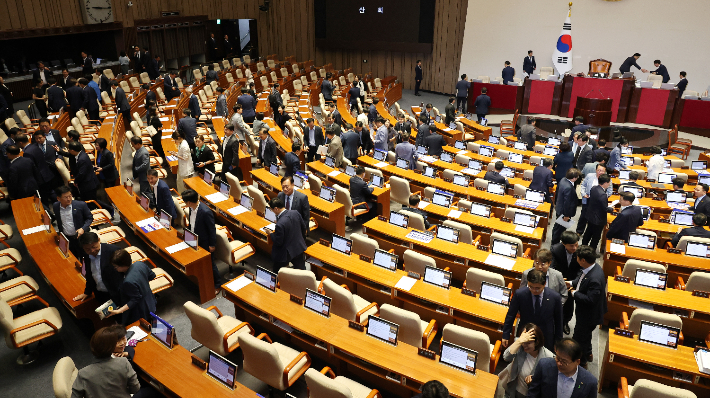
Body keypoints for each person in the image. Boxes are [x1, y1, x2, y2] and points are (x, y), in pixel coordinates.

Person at [70, 326, 141, 397]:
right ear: (112, 347)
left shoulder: (83, 374)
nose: (122, 343)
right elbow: (135, 389)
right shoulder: (123, 362)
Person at [503, 269, 562, 352]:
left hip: (546, 336)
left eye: (538, 288)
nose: (534, 290)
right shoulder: (520, 294)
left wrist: (558, 342)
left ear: (544, 284)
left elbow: (558, 321)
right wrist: (505, 334)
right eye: (531, 287)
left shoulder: (555, 297)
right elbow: (510, 315)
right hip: (525, 334)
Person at [568, 246, 607, 367]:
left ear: (583, 260)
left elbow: (590, 300)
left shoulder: (594, 278)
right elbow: (581, 280)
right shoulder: (591, 267)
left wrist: (574, 293)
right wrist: (570, 283)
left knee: (579, 339)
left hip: (589, 315)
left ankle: (582, 362)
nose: (576, 259)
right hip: (585, 313)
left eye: (577, 258)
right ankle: (589, 353)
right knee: (586, 335)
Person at [526, 338, 598, 397]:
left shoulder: (590, 382)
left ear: (577, 362)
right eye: (557, 358)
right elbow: (533, 394)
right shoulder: (544, 366)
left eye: (564, 361)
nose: (559, 363)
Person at [182, 189, 221, 292]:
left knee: (210, 264)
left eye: (185, 202)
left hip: (205, 241)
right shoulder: (191, 208)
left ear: (189, 202)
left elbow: (211, 229)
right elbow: (192, 223)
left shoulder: (205, 211)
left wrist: (212, 245)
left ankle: (217, 285)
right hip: (195, 238)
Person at [500, 323, 553, 398]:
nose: (524, 345)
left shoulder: (548, 358)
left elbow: (548, 385)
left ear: (537, 342)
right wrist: (519, 341)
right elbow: (506, 357)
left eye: (528, 343)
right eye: (523, 342)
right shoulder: (519, 345)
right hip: (512, 390)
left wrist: (534, 382)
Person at [107, 250, 156, 326]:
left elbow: (135, 299)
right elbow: (152, 275)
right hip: (150, 300)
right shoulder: (140, 264)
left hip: (140, 310)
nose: (115, 269)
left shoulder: (128, 281)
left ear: (123, 265)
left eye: (116, 267)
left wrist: (119, 311)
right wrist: (142, 284)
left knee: (143, 327)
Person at [72, 232, 122, 305]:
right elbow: (89, 274)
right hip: (100, 294)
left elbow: (125, 272)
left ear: (99, 240)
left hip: (117, 294)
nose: (92, 251)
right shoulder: (86, 255)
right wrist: (87, 292)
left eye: (94, 246)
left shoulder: (114, 251)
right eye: (88, 249)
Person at [551, 231, 580, 334]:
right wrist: (559, 279)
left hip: (571, 284)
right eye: (571, 246)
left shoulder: (580, 251)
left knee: (568, 307)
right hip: (557, 282)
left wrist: (573, 283)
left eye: (576, 244)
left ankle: (565, 323)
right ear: (564, 244)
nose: (575, 248)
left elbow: (581, 270)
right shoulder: (555, 249)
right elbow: (552, 267)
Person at [268, 197, 307, 271]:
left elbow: (278, 242)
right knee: (301, 269)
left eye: (271, 209)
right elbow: (303, 228)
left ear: (276, 208)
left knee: (277, 270)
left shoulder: (280, 224)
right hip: (298, 247)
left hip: (286, 253)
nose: (271, 211)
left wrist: (270, 233)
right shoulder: (295, 212)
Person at [53, 185, 93, 259]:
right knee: (72, 257)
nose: (69, 199)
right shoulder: (56, 206)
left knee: (84, 258)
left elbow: (89, 218)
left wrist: (83, 228)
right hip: (67, 238)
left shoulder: (81, 205)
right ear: (58, 198)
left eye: (70, 196)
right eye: (65, 197)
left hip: (80, 237)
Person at [577, 164, 613, 236]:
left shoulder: (607, 179)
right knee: (583, 216)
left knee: (595, 216)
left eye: (602, 171)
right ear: (596, 170)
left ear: (605, 171)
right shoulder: (590, 176)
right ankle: (579, 231)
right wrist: (583, 193)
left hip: (599, 202)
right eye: (599, 170)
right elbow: (583, 185)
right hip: (588, 199)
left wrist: (603, 198)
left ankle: (590, 231)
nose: (600, 172)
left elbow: (610, 191)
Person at [23, 130, 61, 197]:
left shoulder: (52, 143)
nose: (38, 140)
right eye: (36, 138)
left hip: (53, 167)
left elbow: (60, 152)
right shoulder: (34, 147)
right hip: (43, 170)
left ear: (44, 137)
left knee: (56, 186)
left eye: (40, 138)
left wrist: (59, 158)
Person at [551, 168, 581, 245]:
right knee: (559, 229)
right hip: (564, 212)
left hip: (559, 207)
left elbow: (558, 192)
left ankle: (555, 242)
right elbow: (567, 203)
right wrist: (566, 215)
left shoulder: (563, 179)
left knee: (558, 228)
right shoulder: (568, 187)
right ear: (574, 178)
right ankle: (554, 244)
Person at [581, 174, 612, 250]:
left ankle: (583, 246)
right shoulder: (603, 195)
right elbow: (605, 208)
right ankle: (592, 251)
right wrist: (611, 208)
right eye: (609, 182)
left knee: (588, 232)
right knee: (596, 237)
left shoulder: (594, 188)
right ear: (605, 183)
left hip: (590, 215)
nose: (609, 184)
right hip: (598, 219)